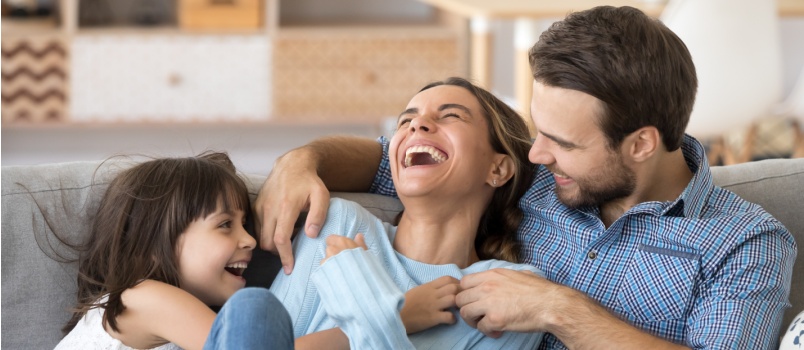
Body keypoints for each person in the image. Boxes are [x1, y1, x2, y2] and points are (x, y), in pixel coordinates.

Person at [255, 6, 797, 350]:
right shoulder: (533, 176)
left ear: (641, 144)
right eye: (538, 131)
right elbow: (394, 158)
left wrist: (556, 309)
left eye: (561, 143)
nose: (537, 153)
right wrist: (303, 160)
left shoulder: (745, 243)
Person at [268, 77, 544, 349]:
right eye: (405, 121)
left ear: (497, 169)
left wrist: (365, 299)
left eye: (451, 116)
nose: (417, 124)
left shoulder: (508, 294)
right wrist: (396, 316)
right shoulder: (339, 224)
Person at [53, 152, 293, 350]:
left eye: (244, 224)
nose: (250, 239)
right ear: (153, 245)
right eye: (225, 224)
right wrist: (332, 331)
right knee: (254, 308)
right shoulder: (144, 297)